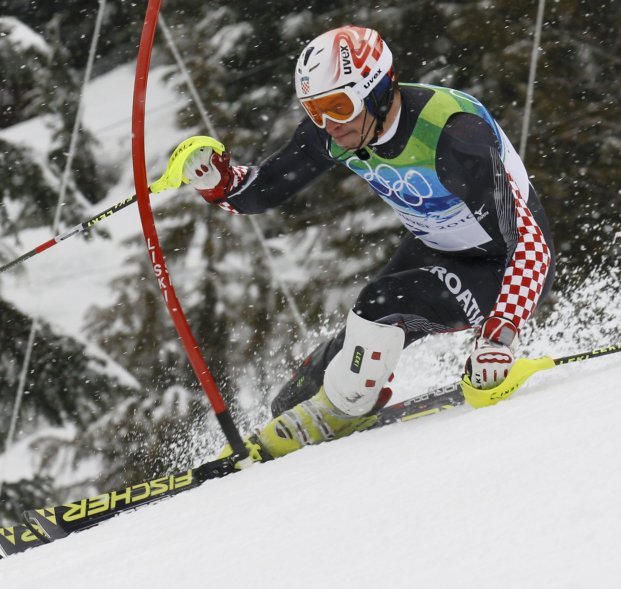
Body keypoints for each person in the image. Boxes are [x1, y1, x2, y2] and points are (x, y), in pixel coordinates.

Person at [179, 25, 555, 462]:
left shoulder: (455, 136)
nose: (328, 126)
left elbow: (529, 244)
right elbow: (264, 190)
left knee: (379, 302)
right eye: (314, 110)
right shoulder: (340, 129)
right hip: (434, 247)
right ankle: (337, 408)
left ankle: (344, 412)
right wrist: (220, 183)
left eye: (338, 106)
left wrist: (499, 335)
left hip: (503, 266)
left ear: (378, 91)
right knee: (297, 399)